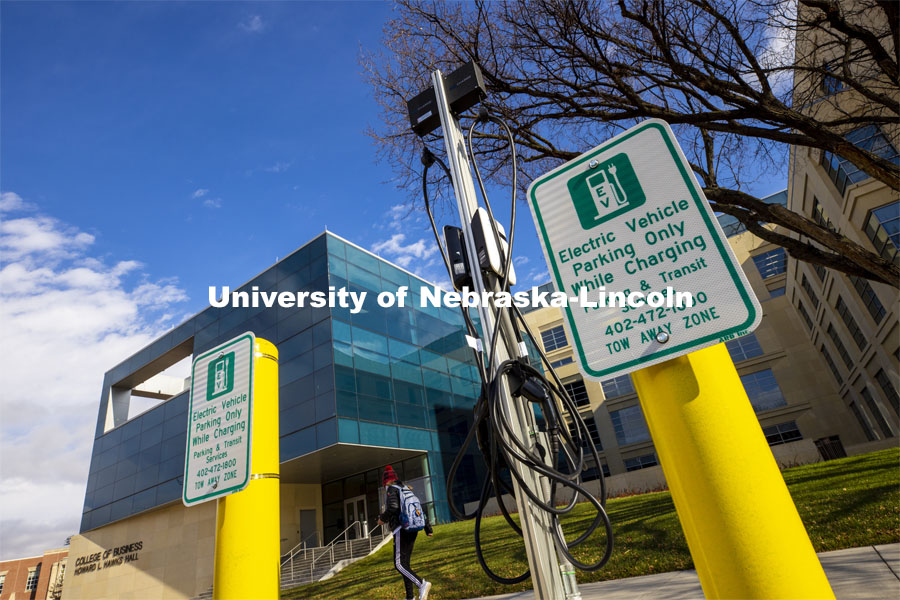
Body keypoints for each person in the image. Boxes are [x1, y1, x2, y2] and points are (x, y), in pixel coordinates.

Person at [378, 465, 433, 600]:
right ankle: (410, 597)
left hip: (401, 529)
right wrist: (428, 528)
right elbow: (419, 509)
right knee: (405, 564)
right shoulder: (406, 489)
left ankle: (421, 584)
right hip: (412, 529)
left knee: (399, 564)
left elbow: (392, 507)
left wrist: (382, 519)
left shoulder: (392, 490)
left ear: (386, 481)